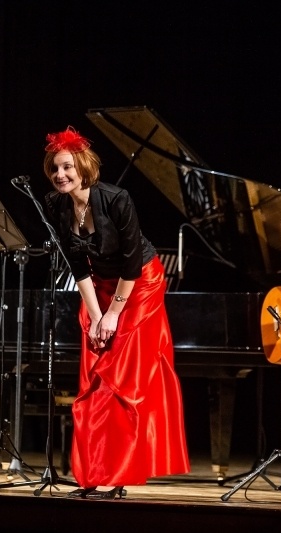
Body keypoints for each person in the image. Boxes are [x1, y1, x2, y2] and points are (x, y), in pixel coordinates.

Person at [42, 127, 190, 499]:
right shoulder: (56, 205)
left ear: (84, 168)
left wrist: (113, 316)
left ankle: (120, 474)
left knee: (120, 380)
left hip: (138, 286)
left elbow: (131, 264)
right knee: (93, 379)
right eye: (55, 169)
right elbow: (77, 264)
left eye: (67, 168)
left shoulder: (116, 199)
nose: (61, 175)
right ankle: (92, 472)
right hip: (101, 288)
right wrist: (95, 315)